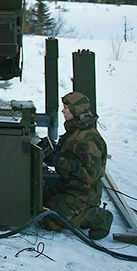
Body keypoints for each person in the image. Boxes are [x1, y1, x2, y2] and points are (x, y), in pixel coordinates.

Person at [42, 91, 113, 239]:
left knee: (52, 220)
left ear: (76, 110)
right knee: (38, 201)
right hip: (68, 185)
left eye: (66, 108)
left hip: (84, 193)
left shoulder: (88, 139)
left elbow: (91, 174)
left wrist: (59, 161)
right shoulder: (75, 130)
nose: (63, 111)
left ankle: (98, 217)